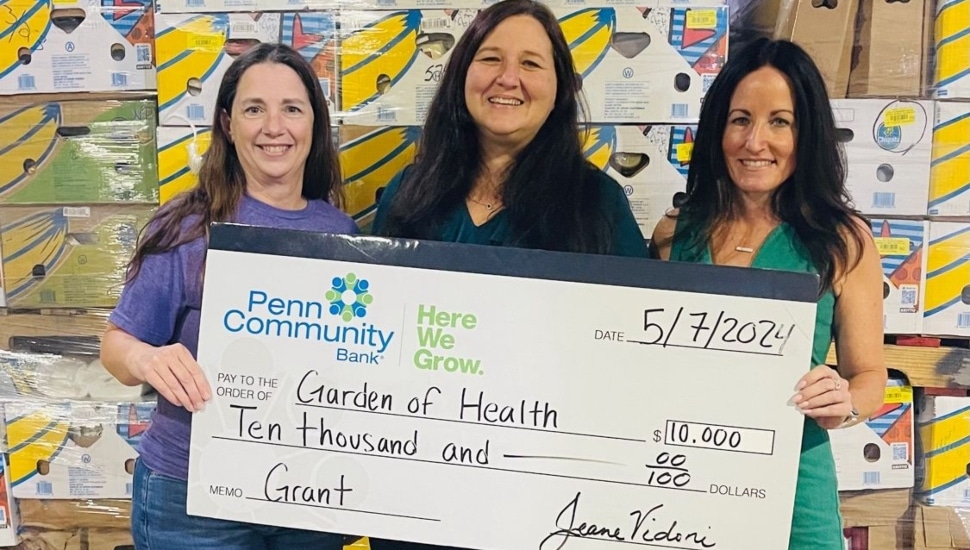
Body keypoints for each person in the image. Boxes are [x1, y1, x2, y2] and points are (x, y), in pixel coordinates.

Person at [100, 43, 357, 550]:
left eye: (292, 109)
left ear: (314, 124)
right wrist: (147, 357)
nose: (274, 127)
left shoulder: (343, 234)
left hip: (308, 492)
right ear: (227, 124)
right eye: (254, 109)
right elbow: (115, 347)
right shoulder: (188, 226)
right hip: (191, 496)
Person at [650, 38, 887, 549]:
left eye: (780, 121)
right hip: (678, 476)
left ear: (808, 135)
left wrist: (842, 403)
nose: (756, 141)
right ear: (717, 130)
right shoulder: (672, 234)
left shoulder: (844, 241)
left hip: (793, 490)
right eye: (740, 120)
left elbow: (870, 377)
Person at [371, 0, 646, 258]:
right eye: (491, 59)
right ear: (461, 77)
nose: (508, 78)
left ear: (559, 90)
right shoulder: (407, 192)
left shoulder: (599, 203)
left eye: (530, 63)